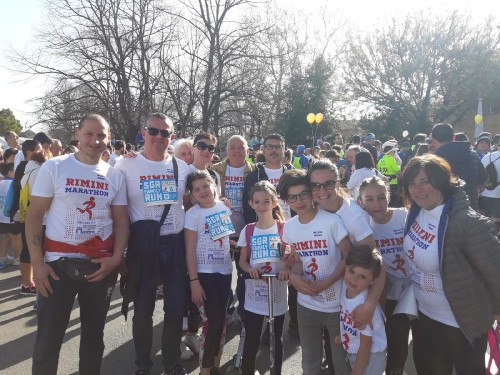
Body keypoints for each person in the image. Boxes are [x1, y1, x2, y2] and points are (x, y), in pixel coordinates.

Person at [26, 113, 129, 374]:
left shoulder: (114, 175)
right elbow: (34, 216)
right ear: (77, 133)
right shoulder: (55, 167)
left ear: (108, 138)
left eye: (101, 135)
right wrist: (37, 264)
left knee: (94, 338)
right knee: (49, 339)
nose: (95, 140)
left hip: (100, 267)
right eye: (89, 134)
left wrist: (116, 259)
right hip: (56, 267)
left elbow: (120, 222)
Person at [401, 154, 500, 374]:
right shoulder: (416, 212)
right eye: (412, 183)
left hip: (462, 323)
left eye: (425, 181)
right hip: (425, 316)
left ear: (443, 181)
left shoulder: (468, 223)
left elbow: (496, 272)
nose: (417, 189)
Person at [116, 113, 190, 375]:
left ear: (172, 136)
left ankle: (171, 362)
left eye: (165, 132)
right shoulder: (125, 165)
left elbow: (199, 198)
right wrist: (118, 253)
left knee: (174, 308)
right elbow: (116, 211)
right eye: (154, 131)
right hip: (142, 245)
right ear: (143, 133)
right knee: (143, 309)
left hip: (175, 245)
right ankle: (142, 364)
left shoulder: (182, 167)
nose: (159, 137)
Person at [279, 169, 352, 375]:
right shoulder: (289, 228)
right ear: (286, 200)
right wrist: (294, 277)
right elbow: (295, 262)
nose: (299, 201)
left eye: (303, 194)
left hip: (337, 306)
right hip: (306, 305)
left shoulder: (331, 221)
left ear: (311, 193)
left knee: (341, 364)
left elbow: (349, 258)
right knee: (310, 364)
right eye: (292, 197)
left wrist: (325, 283)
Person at [357, 176, 412, 375]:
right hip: (386, 292)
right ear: (361, 202)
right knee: (394, 336)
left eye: (381, 197)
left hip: (416, 288)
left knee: (418, 339)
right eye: (369, 199)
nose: (377, 204)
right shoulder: (363, 227)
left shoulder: (405, 216)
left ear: (389, 196)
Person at [238, 181, 290, 375]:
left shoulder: (284, 228)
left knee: (276, 339)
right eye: (257, 202)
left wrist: (286, 267)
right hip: (255, 295)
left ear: (275, 201)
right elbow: (243, 261)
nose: (261, 206)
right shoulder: (249, 230)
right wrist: (249, 269)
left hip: (277, 294)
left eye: (266, 201)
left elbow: (291, 257)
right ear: (251, 203)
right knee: (252, 338)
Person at [184, 170, 233, 375]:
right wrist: (194, 281)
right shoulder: (193, 214)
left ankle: (215, 363)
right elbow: (190, 250)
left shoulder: (224, 207)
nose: (203, 191)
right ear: (192, 194)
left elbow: (223, 239)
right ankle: (204, 370)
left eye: (206, 185)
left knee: (221, 322)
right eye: (197, 189)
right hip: (204, 274)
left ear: (214, 185)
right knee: (211, 323)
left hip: (224, 272)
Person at [211, 135, 254, 322]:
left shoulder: (255, 172)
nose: (237, 151)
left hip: (246, 229)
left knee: (245, 272)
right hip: (221, 229)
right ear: (226, 150)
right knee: (221, 271)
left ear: (247, 150)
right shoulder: (214, 170)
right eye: (232, 147)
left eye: (241, 147)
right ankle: (225, 308)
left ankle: (244, 310)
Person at [340, 245, 387, 375]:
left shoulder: (361, 305)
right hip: (359, 350)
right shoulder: (345, 288)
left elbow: (366, 345)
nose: (354, 279)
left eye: (362, 277)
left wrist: (356, 372)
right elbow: (347, 318)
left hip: (371, 356)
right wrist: (345, 335)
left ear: (373, 281)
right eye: (351, 271)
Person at [430, 122, 486, 210]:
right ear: (454, 137)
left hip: (443, 210)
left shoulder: (433, 160)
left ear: (433, 141)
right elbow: (483, 179)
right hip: (471, 208)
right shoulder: (473, 156)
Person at [479, 135, 500, 233]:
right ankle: (496, 238)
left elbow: (481, 175)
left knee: (485, 217)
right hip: (498, 194)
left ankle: (486, 236)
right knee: (497, 219)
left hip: (486, 192)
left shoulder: (487, 157)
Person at [377, 142, 401, 207]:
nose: (395, 153)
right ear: (390, 152)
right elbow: (398, 171)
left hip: (383, 183)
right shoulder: (391, 159)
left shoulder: (380, 160)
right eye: (394, 151)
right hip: (392, 184)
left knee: (386, 200)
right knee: (393, 202)